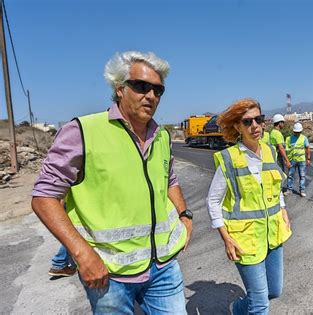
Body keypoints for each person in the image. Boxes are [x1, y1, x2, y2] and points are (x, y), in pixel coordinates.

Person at [31, 51, 193, 314]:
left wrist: (185, 215)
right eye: (141, 86)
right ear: (120, 89)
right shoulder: (82, 131)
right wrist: (82, 255)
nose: (151, 95)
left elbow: (169, 179)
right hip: (109, 274)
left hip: (163, 267)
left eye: (158, 90)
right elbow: (44, 197)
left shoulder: (161, 136)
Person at [207, 98, 292, 315]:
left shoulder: (270, 151)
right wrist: (226, 238)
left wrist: (283, 210)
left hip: (273, 234)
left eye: (258, 119)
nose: (254, 125)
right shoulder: (229, 158)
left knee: (274, 291)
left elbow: (276, 186)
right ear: (237, 127)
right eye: (247, 122)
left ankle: (237, 308)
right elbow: (213, 201)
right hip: (244, 239)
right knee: (260, 304)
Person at [285, 122, 311, 197]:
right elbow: (287, 149)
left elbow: (308, 148)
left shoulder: (304, 138)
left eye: (299, 132)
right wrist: (286, 160)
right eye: (296, 132)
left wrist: (308, 158)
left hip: (301, 160)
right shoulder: (289, 139)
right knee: (290, 175)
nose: (297, 133)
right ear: (293, 131)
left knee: (302, 176)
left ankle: (302, 190)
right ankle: (289, 189)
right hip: (292, 160)